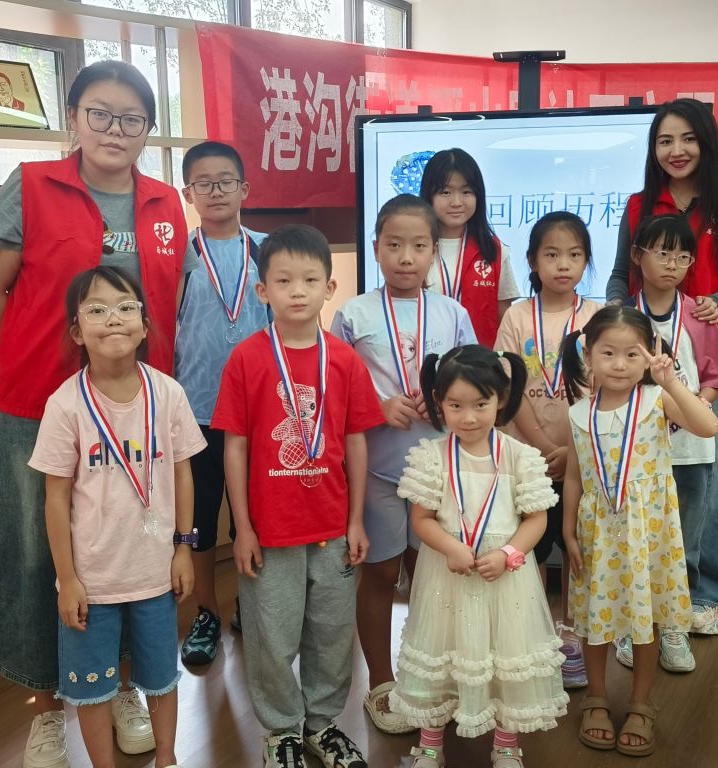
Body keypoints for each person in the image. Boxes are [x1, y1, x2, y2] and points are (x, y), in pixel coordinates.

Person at [0, 60, 186, 768]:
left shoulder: (163, 203)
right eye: (100, 113)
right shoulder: (32, 186)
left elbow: (168, 302)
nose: (114, 130)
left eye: (132, 118)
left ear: (148, 129)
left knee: (128, 552)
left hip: (132, 413)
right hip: (41, 409)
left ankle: (116, 686)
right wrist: (13, 362)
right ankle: (48, 707)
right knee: (42, 558)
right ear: (73, 118)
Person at [211, 224, 384, 768]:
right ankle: (281, 730)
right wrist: (243, 528)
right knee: (271, 636)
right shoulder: (246, 359)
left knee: (332, 634)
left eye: (310, 279)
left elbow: (356, 442)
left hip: (333, 527)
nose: (297, 291)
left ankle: (321, 724)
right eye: (283, 281)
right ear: (263, 291)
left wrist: (356, 520)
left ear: (330, 288)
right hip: (271, 531)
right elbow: (234, 448)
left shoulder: (345, 360)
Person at [30, 266, 205, 768]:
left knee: (161, 678)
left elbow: (183, 473)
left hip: (155, 573)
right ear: (76, 332)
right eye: (97, 310)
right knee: (91, 689)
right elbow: (55, 499)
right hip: (92, 580)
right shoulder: (65, 405)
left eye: (127, 307)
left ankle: (167, 758)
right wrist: (67, 579)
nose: (114, 318)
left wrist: (183, 547)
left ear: (145, 326)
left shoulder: (167, 393)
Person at [606, 98, 718, 638]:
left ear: (706, 142)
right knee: (641, 476)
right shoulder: (638, 206)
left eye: (688, 138)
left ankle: (703, 594)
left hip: (710, 359)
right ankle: (643, 590)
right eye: (665, 140)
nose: (676, 150)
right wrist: (617, 322)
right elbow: (619, 277)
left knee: (707, 480)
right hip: (640, 362)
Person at [330, 194, 476, 736]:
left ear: (435, 251)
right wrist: (377, 406)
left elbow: (475, 381)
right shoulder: (353, 314)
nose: (406, 257)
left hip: (439, 472)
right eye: (394, 245)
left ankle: (428, 675)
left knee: (430, 576)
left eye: (418, 246)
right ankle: (381, 682)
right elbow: (334, 384)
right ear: (376, 248)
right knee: (379, 573)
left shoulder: (453, 313)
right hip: (377, 470)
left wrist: (442, 402)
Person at [390, 344, 569, 768]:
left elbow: (537, 520)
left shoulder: (520, 456)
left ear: (501, 399)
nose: (468, 417)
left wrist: (509, 553)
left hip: (505, 579)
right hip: (447, 576)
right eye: (455, 405)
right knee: (441, 653)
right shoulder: (431, 456)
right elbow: (421, 519)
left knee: (506, 657)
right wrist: (451, 547)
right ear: (439, 402)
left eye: (480, 404)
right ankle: (430, 745)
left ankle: (506, 745)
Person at [560, 306, 718, 757]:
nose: (619, 364)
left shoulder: (656, 400)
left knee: (646, 619)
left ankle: (640, 703)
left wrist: (670, 381)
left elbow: (708, 426)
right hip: (598, 531)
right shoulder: (577, 414)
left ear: (650, 354)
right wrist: (568, 532)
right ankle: (595, 697)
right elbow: (574, 475)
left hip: (648, 532)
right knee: (595, 617)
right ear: (588, 355)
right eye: (607, 353)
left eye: (632, 354)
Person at [615, 214, 718, 675]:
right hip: (636, 452)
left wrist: (693, 407)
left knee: (686, 535)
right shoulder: (623, 317)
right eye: (662, 253)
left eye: (683, 256)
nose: (672, 264)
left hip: (690, 451)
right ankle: (631, 622)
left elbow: (716, 377)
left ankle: (675, 625)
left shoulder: (699, 316)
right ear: (637, 255)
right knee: (636, 536)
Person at [494, 211, 602, 691]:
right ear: (533, 261)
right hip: (526, 455)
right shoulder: (517, 316)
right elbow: (507, 387)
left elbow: (607, 387)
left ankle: (572, 636)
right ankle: (535, 635)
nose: (563, 264)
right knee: (531, 547)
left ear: (586, 261)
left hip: (584, 456)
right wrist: (543, 444)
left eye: (575, 255)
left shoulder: (597, 316)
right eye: (552, 254)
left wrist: (572, 448)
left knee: (576, 546)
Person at [174, 140, 268, 666]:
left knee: (256, 517)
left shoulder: (269, 250)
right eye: (203, 183)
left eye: (225, 181)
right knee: (199, 522)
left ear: (244, 188)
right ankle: (206, 611)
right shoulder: (177, 257)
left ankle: (252, 607)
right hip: (195, 412)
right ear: (188, 193)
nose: (215, 191)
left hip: (262, 413)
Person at [419, 148, 519, 347]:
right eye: (445, 192)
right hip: (424, 359)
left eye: (466, 192)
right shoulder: (415, 249)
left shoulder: (495, 251)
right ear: (429, 195)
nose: (456, 202)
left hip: (479, 363)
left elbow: (505, 322)